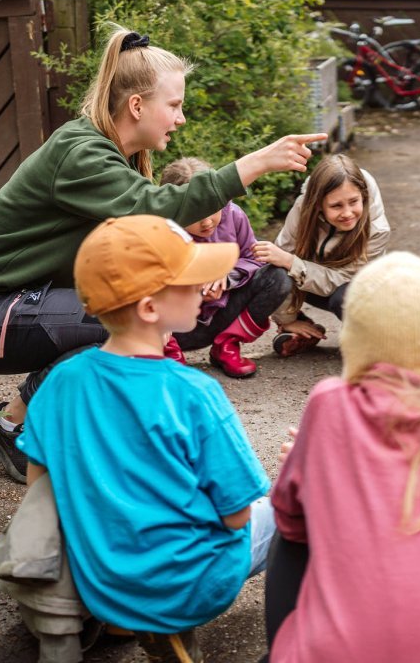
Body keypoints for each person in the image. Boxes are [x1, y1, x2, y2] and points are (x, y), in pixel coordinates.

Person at [0, 25, 325, 482]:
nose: (181, 118)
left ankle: (25, 425)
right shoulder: (81, 154)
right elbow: (161, 207)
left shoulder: (110, 153)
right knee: (126, 322)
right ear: (137, 105)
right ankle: (18, 431)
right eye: (175, 105)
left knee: (134, 311)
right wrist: (254, 162)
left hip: (17, 303)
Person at [17, 215, 274, 662]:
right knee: (299, 506)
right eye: (192, 280)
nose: (206, 286)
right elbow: (235, 517)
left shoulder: (61, 381)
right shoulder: (193, 393)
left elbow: (39, 484)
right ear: (150, 308)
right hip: (187, 585)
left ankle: (119, 617)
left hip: (98, 577)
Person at [266, 252, 420, 663]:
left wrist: (316, 470)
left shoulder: (330, 404)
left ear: (355, 339)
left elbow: (290, 515)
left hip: (335, 651)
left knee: (285, 536)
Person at [159, 158, 293, 378]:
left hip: (222, 317)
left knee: (277, 277)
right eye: (195, 214)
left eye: (213, 209)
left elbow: (253, 257)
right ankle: (168, 354)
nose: (207, 222)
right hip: (178, 329)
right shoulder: (161, 230)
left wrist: (227, 277)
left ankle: (227, 345)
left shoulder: (234, 215)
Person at [252, 154, 390, 357]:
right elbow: (280, 258)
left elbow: (344, 279)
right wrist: (287, 319)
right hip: (314, 280)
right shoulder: (302, 210)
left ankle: (372, 337)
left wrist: (292, 262)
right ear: (318, 205)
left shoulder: (377, 229)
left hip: (362, 292)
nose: (348, 213)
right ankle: (303, 327)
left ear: (364, 197)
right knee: (273, 268)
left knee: (345, 296)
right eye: (336, 206)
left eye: (354, 202)